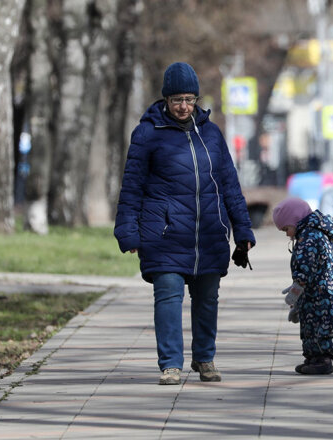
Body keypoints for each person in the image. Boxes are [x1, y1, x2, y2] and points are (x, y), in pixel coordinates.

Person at [114, 62, 255, 385]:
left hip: (208, 232)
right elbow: (132, 186)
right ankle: (170, 364)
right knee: (168, 295)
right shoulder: (148, 133)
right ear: (165, 99)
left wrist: (243, 230)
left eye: (189, 99)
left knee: (207, 299)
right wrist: (128, 230)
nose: (183, 106)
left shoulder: (210, 133)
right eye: (177, 99)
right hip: (163, 232)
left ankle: (205, 358)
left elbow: (230, 185)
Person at [272, 197, 333, 375]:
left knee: (320, 328)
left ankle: (323, 361)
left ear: (295, 219)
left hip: (323, 294)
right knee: (309, 326)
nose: (288, 234)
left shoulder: (309, 238)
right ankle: (312, 358)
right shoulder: (309, 234)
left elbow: (305, 269)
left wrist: (295, 292)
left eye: (286, 229)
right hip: (316, 293)